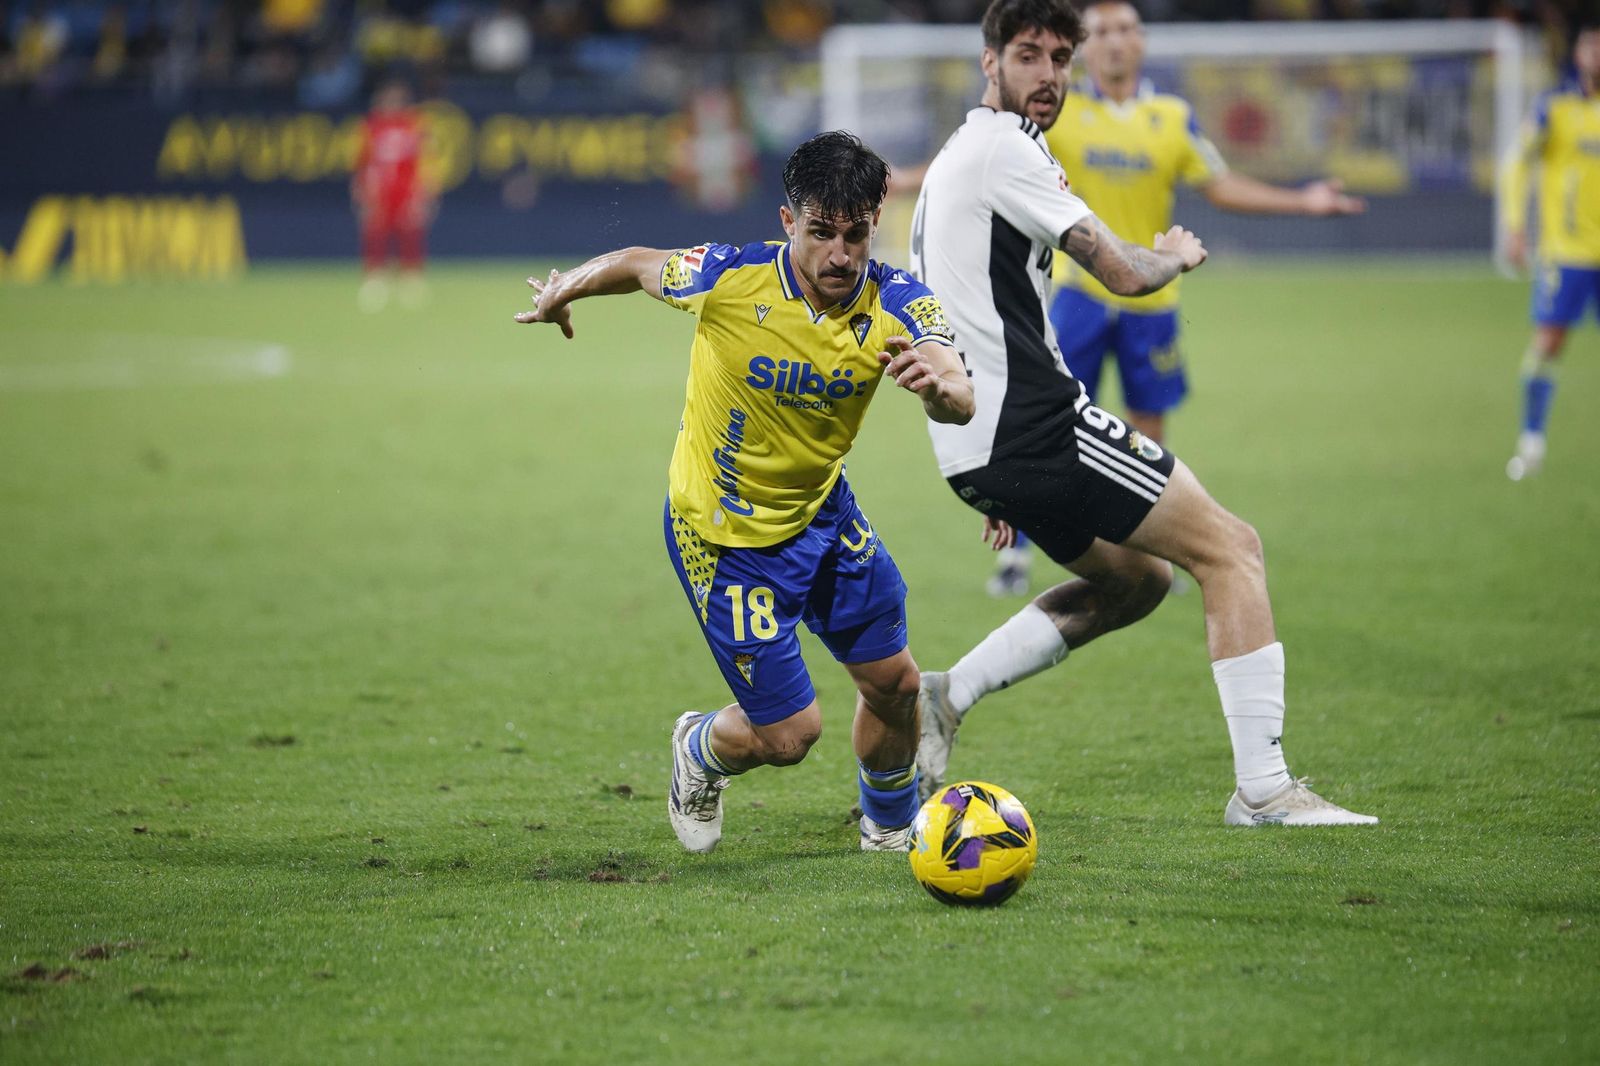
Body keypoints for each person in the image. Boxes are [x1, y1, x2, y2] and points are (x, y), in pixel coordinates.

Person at [908, 0, 1376, 827]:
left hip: (981, 441)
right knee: (1232, 549)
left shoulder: (965, 154)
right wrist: (1180, 256)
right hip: (1034, 427)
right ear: (990, 62)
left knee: (1137, 581)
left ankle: (951, 692)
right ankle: (1264, 789)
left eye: (1060, 57)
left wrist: (998, 465)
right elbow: (1122, 272)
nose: (1048, 74)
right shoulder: (1004, 147)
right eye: (1028, 55)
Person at [515, 131, 973, 853]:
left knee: (896, 682)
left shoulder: (901, 302)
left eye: (855, 235)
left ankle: (888, 828)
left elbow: (957, 387)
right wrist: (564, 287)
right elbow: (638, 265)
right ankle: (699, 747)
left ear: (874, 227)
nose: (839, 255)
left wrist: (941, 389)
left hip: (822, 515)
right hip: (722, 537)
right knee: (791, 736)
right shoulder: (728, 276)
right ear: (789, 223)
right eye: (821, 232)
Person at [978, 0, 1365, 597]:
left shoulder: (1171, 117)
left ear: (1141, 44)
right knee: (1049, 428)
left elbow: (1221, 185)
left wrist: (1303, 201)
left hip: (1152, 304)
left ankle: (1151, 552)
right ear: (1087, 46)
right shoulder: (1061, 111)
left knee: (1147, 434)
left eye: (1126, 30)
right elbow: (994, 156)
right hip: (1081, 294)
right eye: (1102, 30)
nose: (1114, 41)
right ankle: (1016, 558)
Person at [1500, 19, 1600, 481]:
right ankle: (1531, 443)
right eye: (1590, 44)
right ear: (1578, 52)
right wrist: (1517, 227)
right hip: (1567, 253)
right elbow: (1517, 165)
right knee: (1549, 342)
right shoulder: (1554, 109)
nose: (1596, 53)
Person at [353, 79, 434, 312]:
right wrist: (361, 189)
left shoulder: (413, 125)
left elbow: (422, 160)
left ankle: (411, 278)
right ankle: (375, 278)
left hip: (405, 188)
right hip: (379, 189)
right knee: (376, 231)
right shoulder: (371, 126)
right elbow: (362, 161)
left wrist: (422, 191)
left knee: (409, 230)